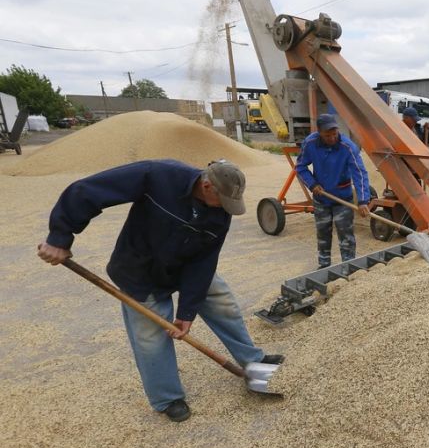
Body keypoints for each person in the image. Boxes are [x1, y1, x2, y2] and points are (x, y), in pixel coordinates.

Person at [37, 159, 283, 423]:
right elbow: (87, 191)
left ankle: (251, 361)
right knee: (151, 337)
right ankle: (168, 398)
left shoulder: (221, 212)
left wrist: (187, 312)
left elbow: (204, 262)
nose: (225, 208)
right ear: (207, 185)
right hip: (140, 270)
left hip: (186, 265)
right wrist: (59, 237)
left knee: (221, 301)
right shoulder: (159, 176)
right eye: (222, 199)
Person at [296, 113, 372, 268]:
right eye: (327, 135)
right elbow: (300, 167)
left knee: (346, 235)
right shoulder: (310, 143)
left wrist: (363, 201)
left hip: (342, 199)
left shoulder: (348, 147)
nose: (332, 138)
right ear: (319, 133)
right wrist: (312, 184)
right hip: (321, 198)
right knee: (323, 234)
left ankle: (349, 266)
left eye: (334, 134)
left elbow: (360, 173)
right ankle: (324, 266)